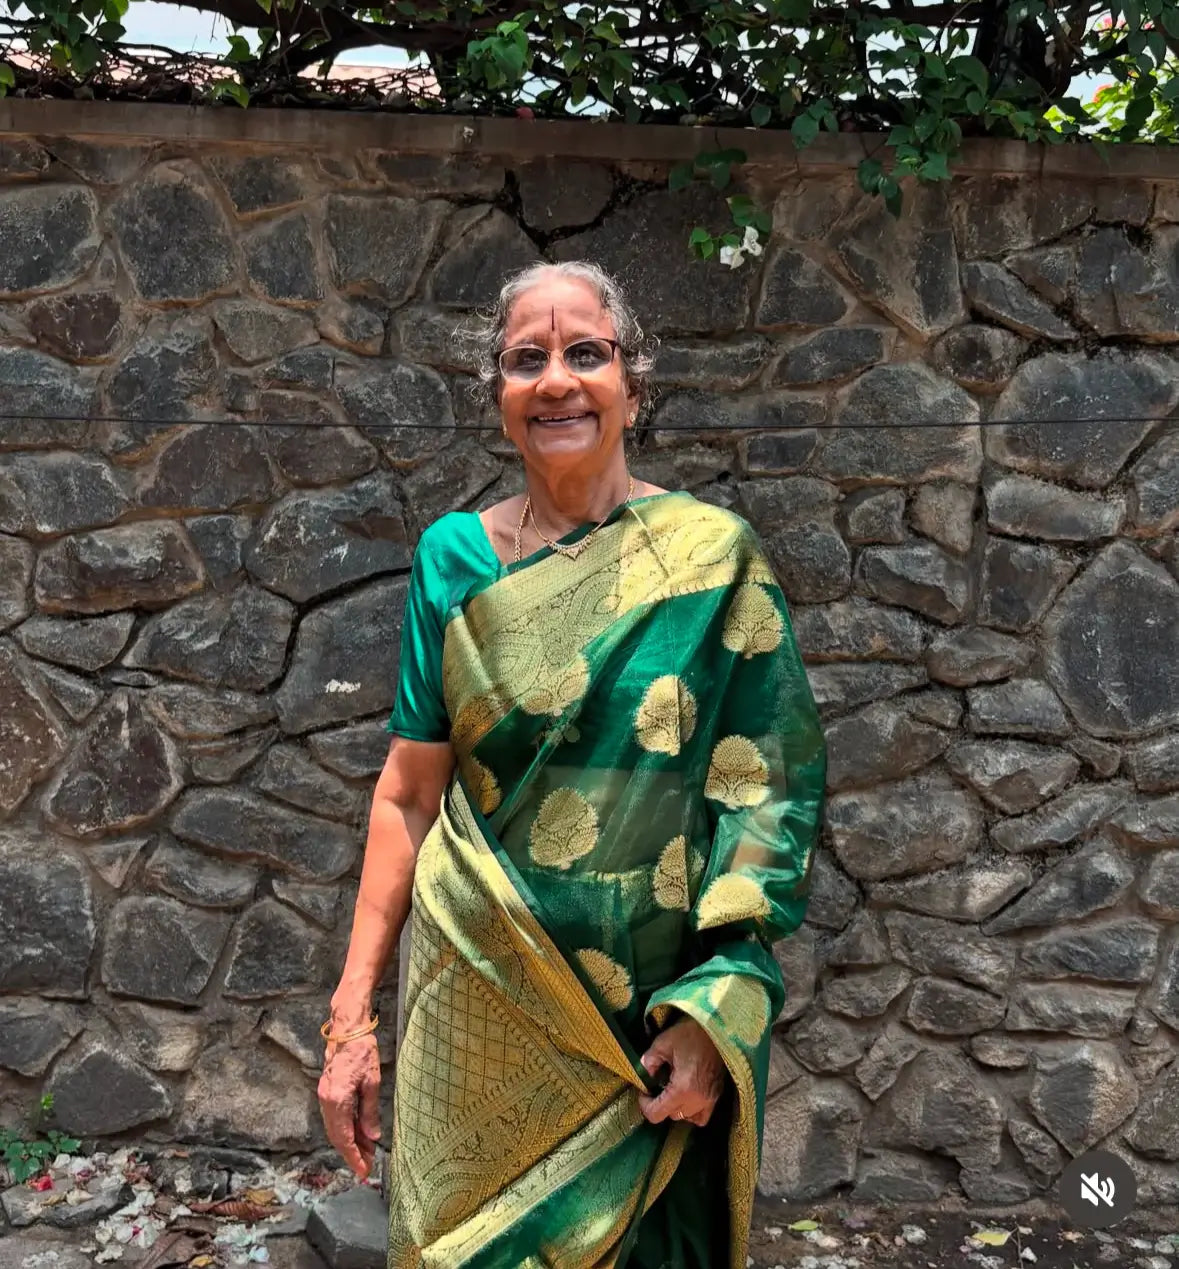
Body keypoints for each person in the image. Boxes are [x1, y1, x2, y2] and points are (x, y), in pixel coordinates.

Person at [317, 259, 826, 1269]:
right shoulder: (454, 560)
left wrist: (720, 1000)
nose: (555, 380)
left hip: (647, 1019)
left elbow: (765, 793)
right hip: (478, 995)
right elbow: (409, 796)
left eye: (585, 352)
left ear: (633, 386)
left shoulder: (711, 559)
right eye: (525, 360)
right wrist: (349, 1021)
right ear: (498, 397)